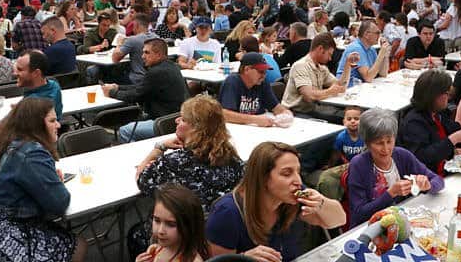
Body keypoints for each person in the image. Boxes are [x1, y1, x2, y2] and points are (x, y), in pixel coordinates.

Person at [0, 98, 85, 262]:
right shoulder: (31, 153)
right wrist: (57, 183)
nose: (58, 125)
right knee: (79, 244)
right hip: (0, 237)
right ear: (35, 124)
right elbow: (60, 204)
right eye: (52, 120)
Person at [206, 141, 345, 261]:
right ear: (263, 177)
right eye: (287, 173)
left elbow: (339, 220)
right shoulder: (227, 212)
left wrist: (321, 203)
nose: (298, 181)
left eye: (298, 172)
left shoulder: (292, 197)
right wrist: (243, 258)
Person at [347, 108, 444, 226]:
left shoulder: (402, 155)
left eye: (389, 141)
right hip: (371, 227)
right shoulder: (358, 165)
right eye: (379, 143)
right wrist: (390, 194)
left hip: (403, 222)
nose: (386, 148)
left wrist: (428, 185)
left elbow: (439, 181)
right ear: (367, 142)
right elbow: (359, 214)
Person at [398, 70, 461, 175]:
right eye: (446, 94)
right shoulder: (414, 122)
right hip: (428, 178)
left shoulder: (439, 114)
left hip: (446, 167)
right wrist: (452, 140)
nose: (448, 97)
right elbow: (422, 157)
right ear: (433, 96)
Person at [104, 38, 189, 142]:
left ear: (158, 55)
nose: (142, 56)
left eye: (147, 53)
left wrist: (111, 93)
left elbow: (135, 96)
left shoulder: (156, 72)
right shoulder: (172, 66)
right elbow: (143, 87)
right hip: (174, 117)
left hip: (163, 121)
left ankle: (140, 158)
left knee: (125, 131)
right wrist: (118, 87)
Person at [282, 33, 355, 118]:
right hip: (295, 112)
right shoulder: (300, 66)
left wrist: (348, 65)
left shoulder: (321, 68)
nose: (330, 59)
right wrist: (330, 91)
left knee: (346, 116)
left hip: (312, 109)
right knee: (342, 118)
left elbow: (340, 87)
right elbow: (309, 96)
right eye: (329, 54)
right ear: (320, 49)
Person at [135, 184, 208, 262]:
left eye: (171, 224)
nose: (160, 231)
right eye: (157, 220)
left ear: (188, 226)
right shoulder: (155, 249)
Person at [218, 52, 291, 126]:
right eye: (261, 72)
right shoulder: (232, 81)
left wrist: (285, 114)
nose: (263, 76)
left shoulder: (262, 83)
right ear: (246, 69)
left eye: (265, 72)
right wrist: (255, 119)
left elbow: (276, 107)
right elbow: (225, 114)